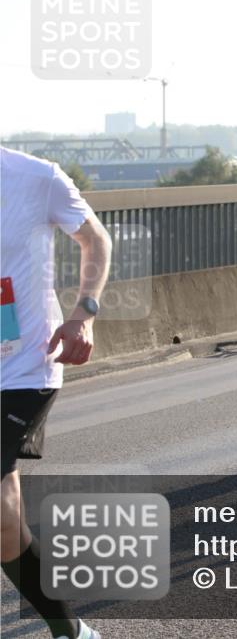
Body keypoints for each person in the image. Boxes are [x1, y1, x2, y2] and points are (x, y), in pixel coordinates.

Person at [1, 147, 112, 639]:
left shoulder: (36, 177)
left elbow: (95, 239)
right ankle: (72, 631)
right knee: (5, 526)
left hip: (24, 368)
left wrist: (83, 314)